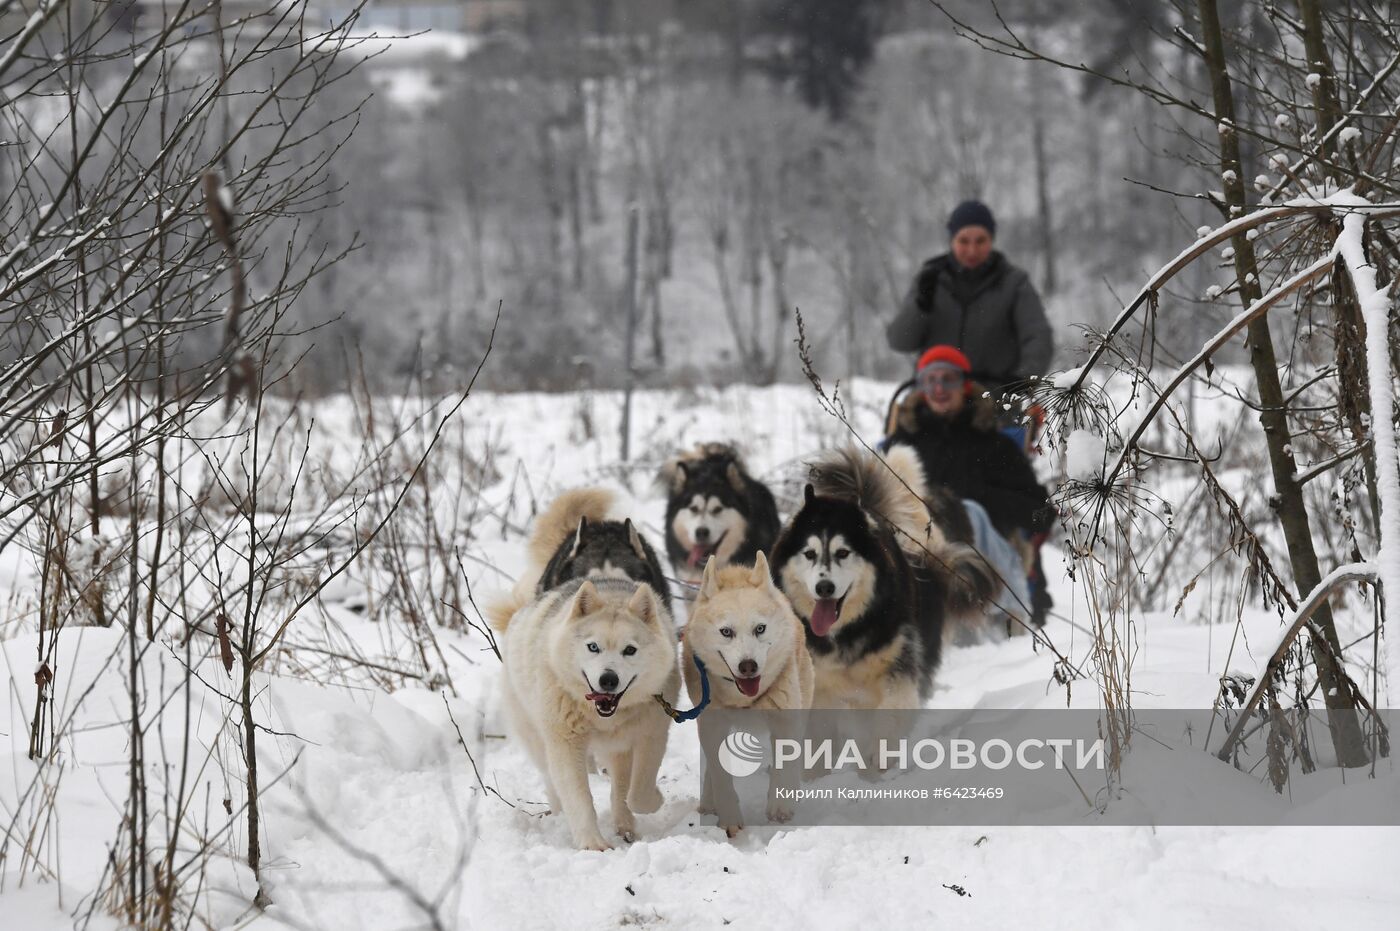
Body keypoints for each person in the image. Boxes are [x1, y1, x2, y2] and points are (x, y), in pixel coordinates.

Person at [886, 345, 1054, 626]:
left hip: (990, 567)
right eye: (930, 379)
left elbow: (1041, 514)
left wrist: (981, 498)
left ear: (965, 385)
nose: (939, 388)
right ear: (921, 387)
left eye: (948, 379)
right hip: (920, 565)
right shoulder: (902, 447)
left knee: (970, 513)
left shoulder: (996, 447)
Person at [887, 200, 1053, 397]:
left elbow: (1037, 337)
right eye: (964, 241)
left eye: (980, 241)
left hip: (995, 406)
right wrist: (920, 307)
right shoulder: (930, 279)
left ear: (991, 240)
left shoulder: (1014, 283)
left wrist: (1023, 380)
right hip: (936, 403)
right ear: (952, 241)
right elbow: (900, 342)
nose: (972, 250)